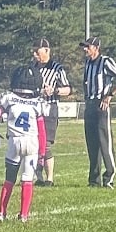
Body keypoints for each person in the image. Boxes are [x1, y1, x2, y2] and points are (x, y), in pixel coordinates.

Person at [80, 35, 116, 187]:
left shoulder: (105, 61)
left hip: (101, 105)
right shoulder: (88, 63)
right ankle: (93, 180)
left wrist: (110, 95)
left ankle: (109, 177)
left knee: (105, 142)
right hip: (89, 104)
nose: (85, 49)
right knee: (92, 143)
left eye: (87, 47)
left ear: (96, 48)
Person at [0, 65, 42, 222]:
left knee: (9, 178)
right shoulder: (38, 103)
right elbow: (42, 130)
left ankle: (2, 213)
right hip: (31, 142)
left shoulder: (9, 99)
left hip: (14, 142)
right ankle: (23, 215)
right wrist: (42, 152)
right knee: (27, 179)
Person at [32, 38, 73, 182]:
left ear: (46, 51)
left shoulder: (57, 68)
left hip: (50, 109)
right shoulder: (32, 67)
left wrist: (55, 90)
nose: (34, 54)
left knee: (46, 144)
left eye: (37, 51)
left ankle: (49, 178)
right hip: (34, 109)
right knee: (33, 144)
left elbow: (68, 89)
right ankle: (38, 177)